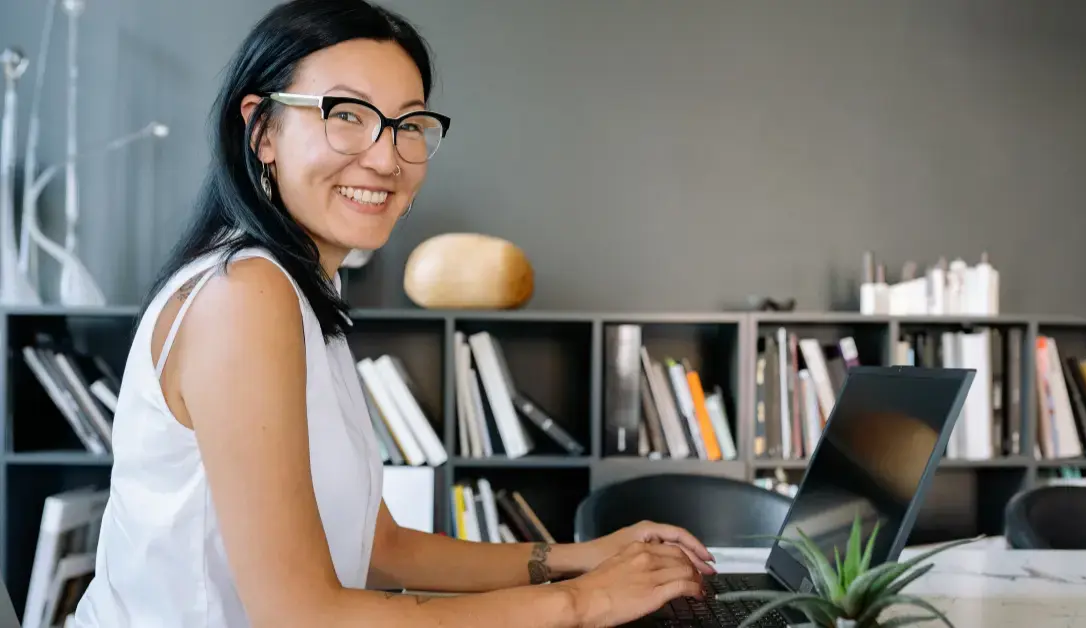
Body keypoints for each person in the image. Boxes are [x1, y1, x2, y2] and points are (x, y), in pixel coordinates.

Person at [70, 1, 713, 626]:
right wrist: (584, 602)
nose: (386, 158)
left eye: (408, 125)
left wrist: (578, 559)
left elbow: (381, 548)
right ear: (262, 131)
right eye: (347, 115)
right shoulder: (244, 294)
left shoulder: (301, 292)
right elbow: (302, 615)